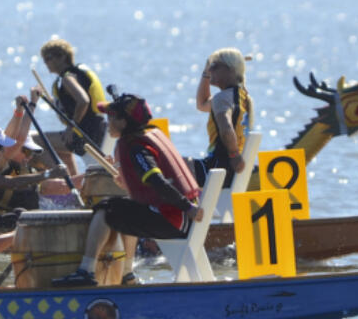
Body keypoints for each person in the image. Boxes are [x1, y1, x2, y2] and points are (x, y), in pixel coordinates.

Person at [53, 93, 202, 287]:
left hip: (175, 219)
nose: (107, 123)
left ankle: (86, 271)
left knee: (106, 209)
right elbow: (151, 184)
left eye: (111, 117)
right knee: (125, 207)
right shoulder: (147, 136)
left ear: (123, 122)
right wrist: (128, 183)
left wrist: (187, 207)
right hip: (180, 217)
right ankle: (127, 275)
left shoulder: (136, 147)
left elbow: (158, 181)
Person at [0, 121, 65, 228]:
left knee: (21, 212)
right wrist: (48, 174)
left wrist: (23, 108)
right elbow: (10, 183)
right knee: (18, 218)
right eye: (0, 147)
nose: (3, 151)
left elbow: (19, 138)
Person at [39, 38, 108, 176]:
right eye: (44, 59)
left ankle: (65, 181)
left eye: (49, 58)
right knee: (58, 150)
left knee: (32, 141)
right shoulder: (78, 75)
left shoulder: (68, 78)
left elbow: (83, 100)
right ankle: (74, 182)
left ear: (62, 57)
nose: (46, 63)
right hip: (97, 130)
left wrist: (72, 127)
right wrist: (53, 102)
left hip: (83, 135)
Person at [190, 47, 253, 188]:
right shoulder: (242, 97)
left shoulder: (222, 99)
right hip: (234, 171)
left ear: (230, 69)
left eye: (214, 66)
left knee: (170, 164)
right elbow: (202, 104)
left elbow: (226, 128)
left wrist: (234, 155)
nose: (210, 70)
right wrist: (206, 72)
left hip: (218, 168)